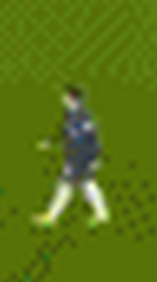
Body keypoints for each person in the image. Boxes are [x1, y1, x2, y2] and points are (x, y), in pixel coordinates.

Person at [33, 85, 109, 229]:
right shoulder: (70, 115)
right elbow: (65, 134)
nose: (63, 99)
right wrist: (50, 142)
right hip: (75, 157)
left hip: (79, 158)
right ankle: (102, 215)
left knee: (66, 185)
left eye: (66, 97)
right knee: (88, 185)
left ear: (73, 99)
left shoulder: (83, 118)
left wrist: (93, 158)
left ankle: (51, 216)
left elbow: (92, 139)